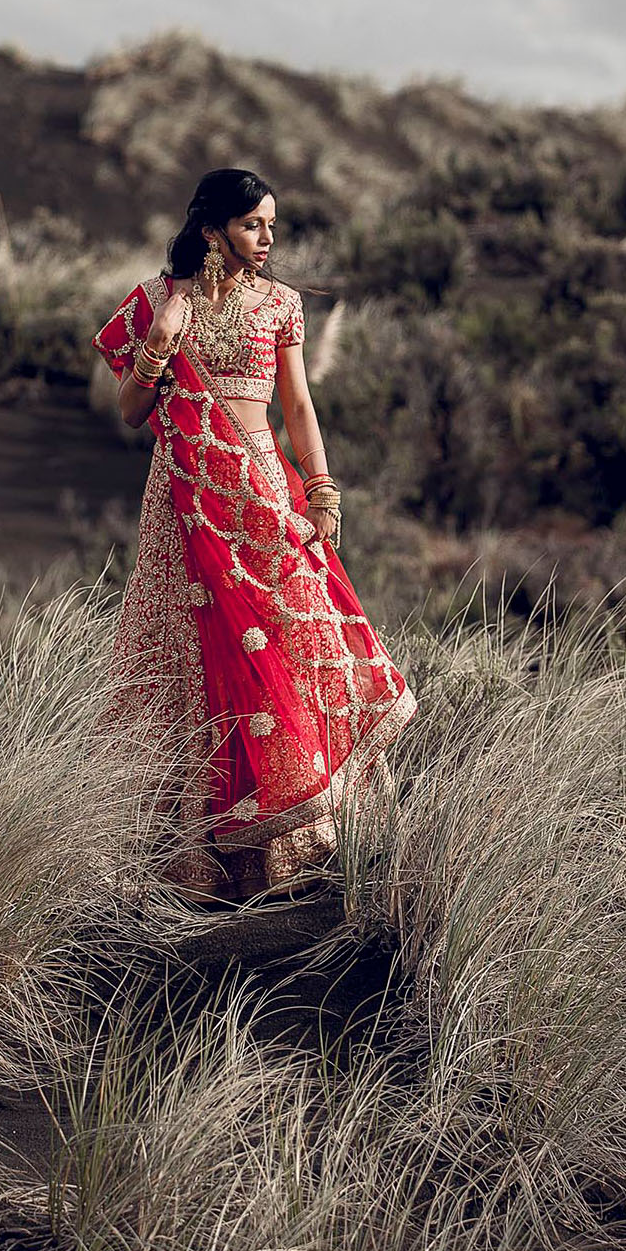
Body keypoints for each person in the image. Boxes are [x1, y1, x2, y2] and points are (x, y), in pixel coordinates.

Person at [93, 166, 416, 901]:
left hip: (265, 493)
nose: (267, 237)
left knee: (293, 646)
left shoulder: (282, 306)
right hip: (185, 498)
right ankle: (197, 860)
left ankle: (309, 836)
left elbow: (298, 406)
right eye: (251, 225)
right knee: (190, 656)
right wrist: (164, 341)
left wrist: (323, 487)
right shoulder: (156, 299)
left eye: (272, 224)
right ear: (213, 230)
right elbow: (130, 409)